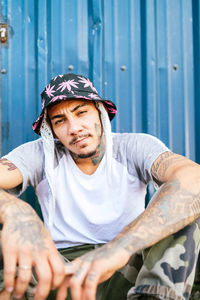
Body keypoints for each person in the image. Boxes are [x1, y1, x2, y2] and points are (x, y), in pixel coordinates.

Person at [0, 73, 199, 300]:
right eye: (59, 121)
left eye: (81, 112)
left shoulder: (133, 146)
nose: (74, 128)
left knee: (183, 202)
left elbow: (194, 179)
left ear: (100, 111)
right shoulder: (39, 153)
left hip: (130, 269)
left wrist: (119, 248)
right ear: (51, 131)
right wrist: (18, 212)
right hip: (59, 272)